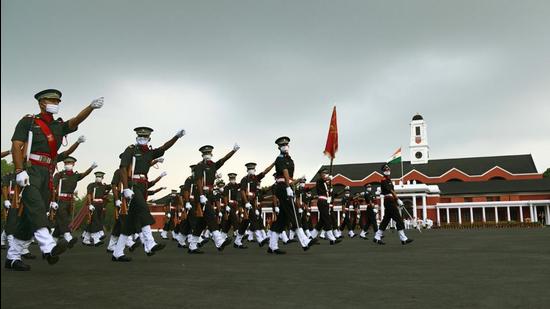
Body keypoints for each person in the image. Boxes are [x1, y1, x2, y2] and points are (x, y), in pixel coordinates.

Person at [6, 89, 104, 271]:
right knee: (35, 205)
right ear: (41, 103)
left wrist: (90, 108)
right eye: (52, 100)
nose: (56, 103)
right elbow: (16, 145)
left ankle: (12, 256)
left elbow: (75, 121)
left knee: (33, 214)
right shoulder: (29, 121)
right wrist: (19, 170)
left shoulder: (58, 125)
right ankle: (49, 247)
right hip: (31, 170)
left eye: (58, 101)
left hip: (47, 173)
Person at [111, 126, 185, 262]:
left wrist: (176, 137)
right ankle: (150, 243)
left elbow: (164, 148)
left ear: (149, 139)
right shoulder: (131, 150)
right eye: (140, 136)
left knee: (128, 223)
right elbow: (122, 168)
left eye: (145, 137)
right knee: (144, 209)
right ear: (136, 137)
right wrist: (126, 188)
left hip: (142, 186)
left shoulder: (149, 153)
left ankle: (117, 252)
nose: (142, 139)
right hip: (133, 185)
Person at [187, 144, 239, 254]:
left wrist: (233, 151)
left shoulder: (213, 166)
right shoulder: (199, 166)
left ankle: (192, 245)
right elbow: (199, 181)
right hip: (201, 194)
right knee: (210, 215)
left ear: (211, 154)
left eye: (208, 153)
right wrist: (201, 195)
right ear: (202, 155)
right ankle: (219, 241)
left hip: (209, 194)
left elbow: (223, 160)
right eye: (205, 153)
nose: (207, 155)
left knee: (201, 223)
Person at [267, 136, 315, 254]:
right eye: (282, 145)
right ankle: (304, 240)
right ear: (279, 147)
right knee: (293, 212)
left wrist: (297, 180)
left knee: (282, 219)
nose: (285, 146)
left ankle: (272, 246)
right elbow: (285, 173)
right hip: (283, 188)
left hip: (287, 187)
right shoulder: (280, 159)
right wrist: (288, 187)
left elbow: (290, 177)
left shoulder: (290, 160)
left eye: (286, 144)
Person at [51, 156, 97, 247]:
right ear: (64, 164)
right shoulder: (59, 175)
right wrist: (53, 201)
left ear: (73, 164)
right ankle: (68, 237)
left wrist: (91, 168)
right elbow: (53, 188)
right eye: (66, 163)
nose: (68, 165)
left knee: (60, 222)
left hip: (70, 201)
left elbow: (84, 174)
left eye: (70, 163)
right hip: (60, 200)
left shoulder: (75, 175)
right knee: (63, 219)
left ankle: (52, 243)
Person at [373, 164, 413, 245]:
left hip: (391, 201)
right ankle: (403, 239)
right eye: (385, 169)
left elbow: (392, 191)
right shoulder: (384, 180)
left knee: (386, 220)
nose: (387, 170)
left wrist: (397, 202)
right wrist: (398, 199)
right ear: (383, 171)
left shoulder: (388, 179)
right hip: (388, 201)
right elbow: (391, 190)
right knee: (398, 219)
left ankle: (377, 237)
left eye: (388, 168)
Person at [310, 169, 341, 245]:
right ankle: (332, 239)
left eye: (326, 173)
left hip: (325, 202)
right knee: (327, 219)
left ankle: (311, 238)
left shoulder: (324, 183)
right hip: (322, 201)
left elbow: (329, 193)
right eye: (324, 173)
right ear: (320, 174)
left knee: (322, 221)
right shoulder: (319, 180)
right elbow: (324, 179)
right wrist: (328, 178)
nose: (325, 174)